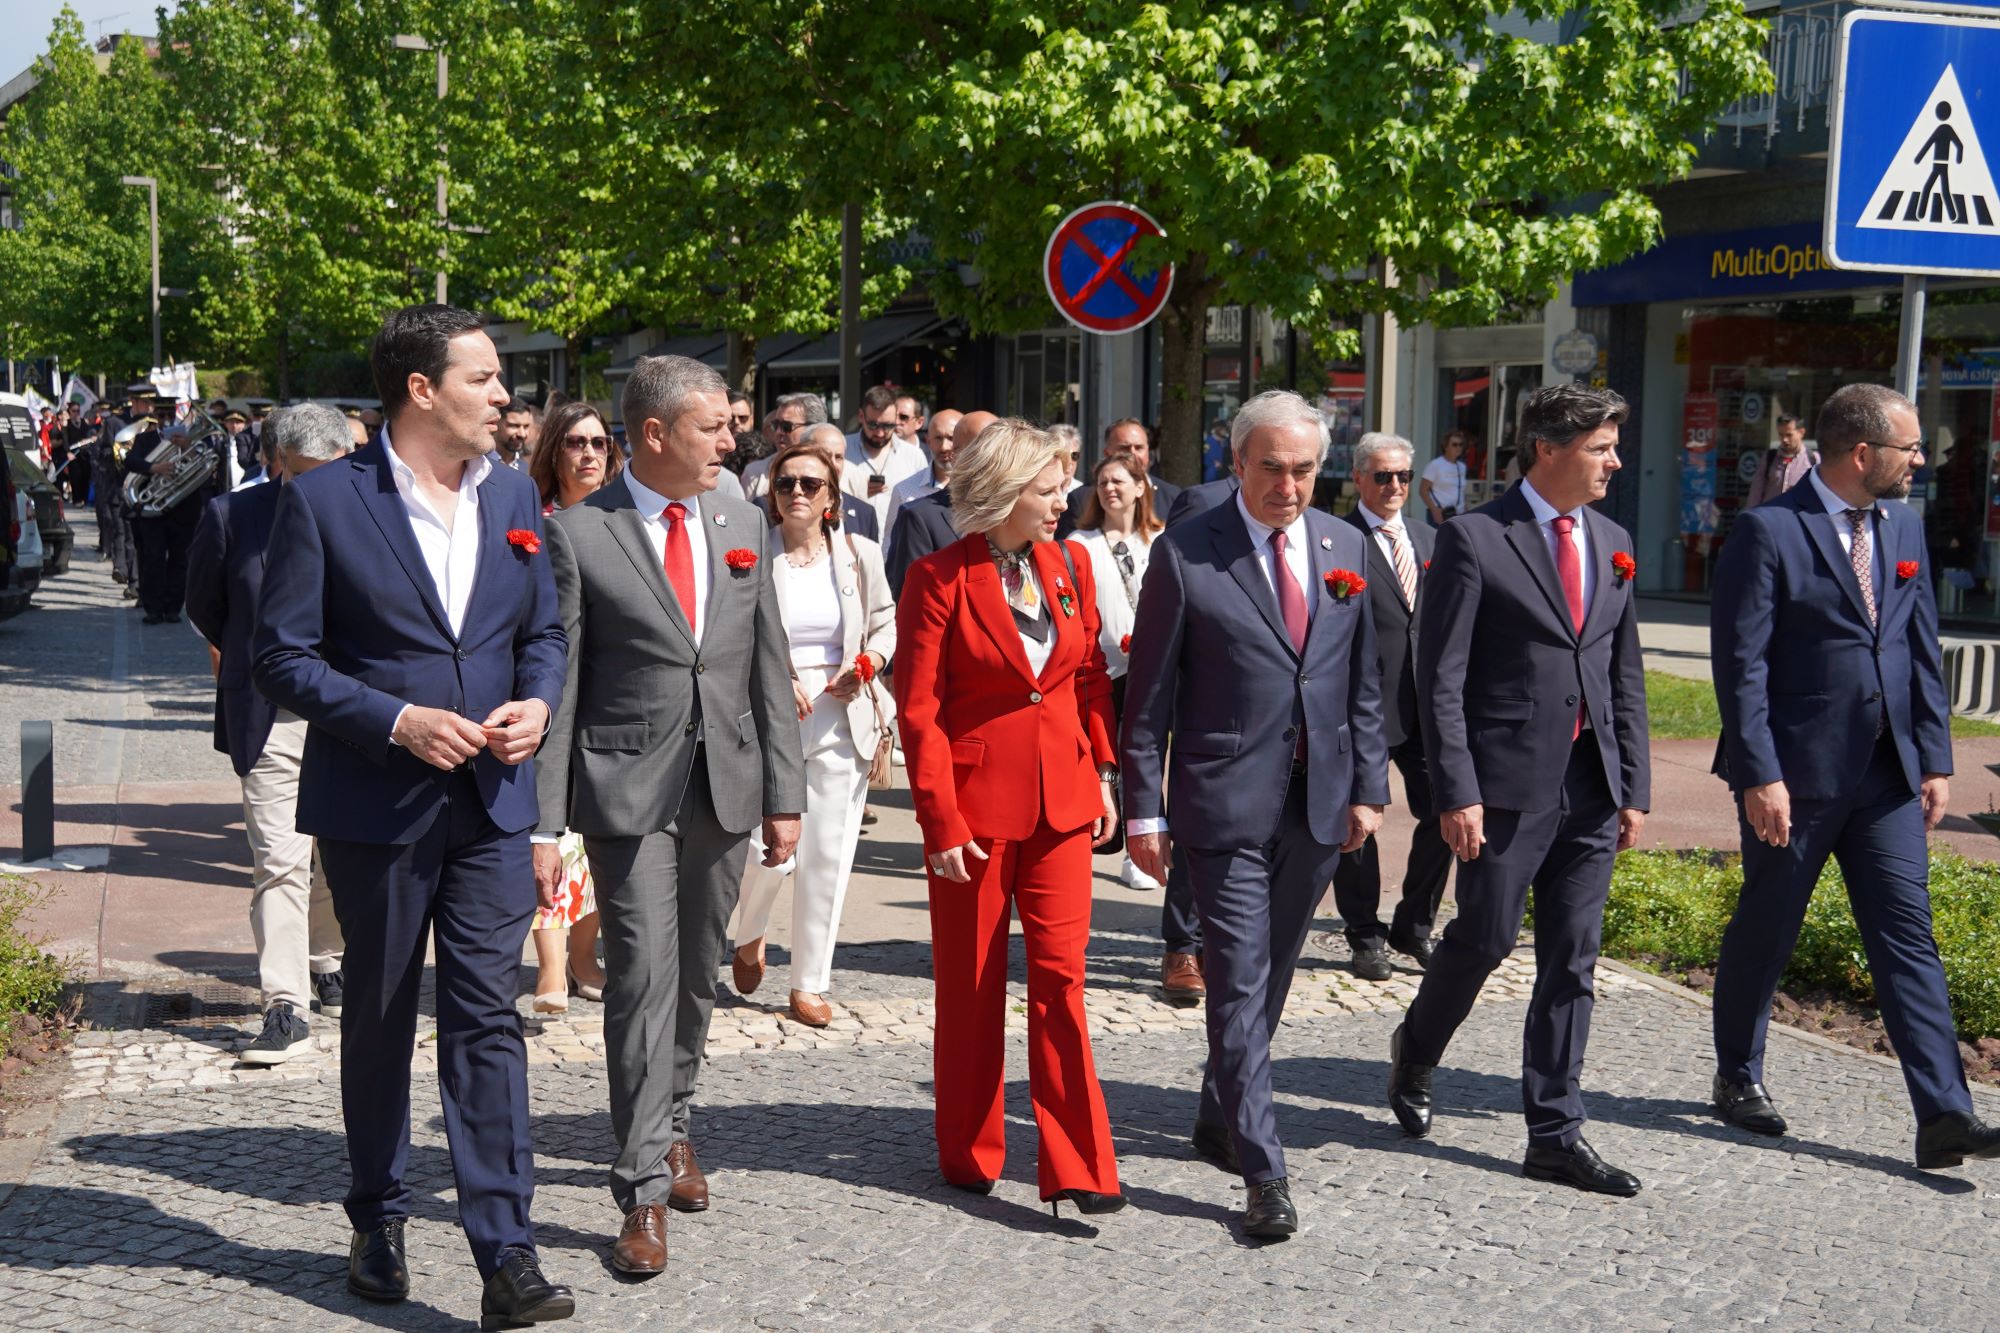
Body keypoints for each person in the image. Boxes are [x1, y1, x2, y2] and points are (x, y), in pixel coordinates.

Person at [253, 304, 574, 1326]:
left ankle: (505, 1255)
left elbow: (544, 630)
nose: (503, 396)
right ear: (422, 389)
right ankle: (377, 1214)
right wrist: (393, 721)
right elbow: (282, 658)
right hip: (375, 803)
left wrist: (537, 700)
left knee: (487, 1017)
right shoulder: (324, 504)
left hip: (489, 801)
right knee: (385, 1016)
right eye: (482, 378)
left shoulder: (517, 491)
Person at [536, 354, 805, 1276]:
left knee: (697, 973)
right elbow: (561, 686)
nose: (733, 440)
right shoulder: (580, 532)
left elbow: (766, 664)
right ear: (653, 435)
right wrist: (543, 823)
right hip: (624, 792)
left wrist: (786, 794)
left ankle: (677, 1122)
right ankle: (642, 1186)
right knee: (641, 975)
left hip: (724, 787)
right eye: (715, 427)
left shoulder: (742, 519)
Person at [1710, 382, 2000, 1170]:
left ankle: (1944, 1113)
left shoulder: (1903, 524)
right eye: (1909, 447)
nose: (1921, 459)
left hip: (1887, 775)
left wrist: (1934, 756)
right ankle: (1737, 1074)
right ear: (1862, 452)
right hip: (1794, 777)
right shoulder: (1768, 531)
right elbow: (1740, 666)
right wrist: (1758, 772)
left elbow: (1916, 647)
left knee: (1909, 936)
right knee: (1768, 927)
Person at [1122, 389, 1388, 1238]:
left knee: (1270, 979)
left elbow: (1363, 683)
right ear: (1235, 463)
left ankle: (1217, 1113)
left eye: (1305, 468)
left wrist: (1368, 787)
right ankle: (1264, 1173)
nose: (1289, 483)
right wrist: (1141, 813)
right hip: (1222, 803)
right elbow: (1148, 699)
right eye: (1271, 466)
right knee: (1236, 980)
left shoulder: (1347, 545)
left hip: (1318, 805)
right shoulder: (1187, 553)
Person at [1388, 383, 1650, 1199]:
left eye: (1614, 445)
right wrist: (1455, 789)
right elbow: (1441, 678)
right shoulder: (1474, 538)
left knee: (1573, 956)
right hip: (1502, 783)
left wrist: (1632, 783)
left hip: (1591, 782)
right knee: (1486, 937)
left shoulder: (1612, 539)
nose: (1614, 460)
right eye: (1602, 446)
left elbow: (1623, 671)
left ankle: (1555, 1131)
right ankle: (1418, 1048)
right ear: (1549, 447)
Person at [895, 417, 1125, 1217]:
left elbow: (1088, 676)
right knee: (973, 983)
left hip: (1062, 805)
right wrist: (940, 821)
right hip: (974, 813)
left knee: (1062, 980)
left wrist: (1100, 767)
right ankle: (969, 1146)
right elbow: (918, 711)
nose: (1066, 497)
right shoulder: (937, 578)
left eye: (1065, 483)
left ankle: (1080, 1163)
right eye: (1049, 486)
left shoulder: (1071, 566)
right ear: (1001, 492)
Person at [187, 402, 351, 1066]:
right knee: (280, 857)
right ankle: (286, 1004)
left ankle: (328, 959)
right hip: (271, 713)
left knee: (337, 854)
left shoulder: (367, 513)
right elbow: (208, 607)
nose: (314, 485)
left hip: (351, 711)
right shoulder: (233, 518)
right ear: (278, 462)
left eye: (327, 472)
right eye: (302, 471)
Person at [730, 442, 895, 1027]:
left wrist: (869, 664)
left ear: (832, 497)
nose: (796, 492)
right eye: (785, 484)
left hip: (841, 714)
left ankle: (809, 982)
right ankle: (748, 934)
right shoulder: (750, 556)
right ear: (771, 494)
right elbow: (731, 632)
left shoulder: (860, 555)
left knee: (827, 854)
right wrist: (779, 677)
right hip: (766, 712)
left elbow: (884, 623)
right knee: (762, 852)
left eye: (810, 484)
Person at [1332, 432, 1449, 979]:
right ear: (1358, 478)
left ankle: (1414, 925)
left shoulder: (1432, 539)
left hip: (1427, 706)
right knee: (1357, 820)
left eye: (1403, 476)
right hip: (1361, 704)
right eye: (1382, 476)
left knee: (1448, 811)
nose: (1395, 486)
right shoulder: (1336, 539)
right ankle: (1363, 933)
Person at [523, 401, 622, 1015]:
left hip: (614, 698)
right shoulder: (533, 522)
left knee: (596, 838)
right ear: (554, 452)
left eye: (599, 443)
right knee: (551, 832)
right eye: (575, 443)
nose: (588, 453)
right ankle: (551, 968)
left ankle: (585, 959)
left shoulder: (627, 520)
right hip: (551, 691)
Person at [1067, 449, 1163, 887]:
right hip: (1101, 669)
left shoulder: (1160, 540)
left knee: (1145, 757)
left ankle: (1142, 848)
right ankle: (1105, 838)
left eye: (1118, 481)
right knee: (1107, 756)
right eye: (1102, 482)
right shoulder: (1079, 544)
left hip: (1154, 668)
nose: (1108, 489)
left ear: (1140, 488)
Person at [887, 410, 995, 597]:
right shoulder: (915, 510)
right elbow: (911, 594)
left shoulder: (1019, 512)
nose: (945, 447)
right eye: (938, 438)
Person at [126, 419, 223, 625]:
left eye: (169, 413)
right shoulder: (145, 439)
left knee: (181, 560)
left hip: (185, 510)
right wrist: (154, 467)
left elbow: (210, 465)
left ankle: (173, 608)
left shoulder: (194, 441)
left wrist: (187, 447)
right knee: (153, 558)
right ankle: (153, 608)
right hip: (153, 510)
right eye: (162, 413)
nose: (166, 418)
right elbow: (130, 461)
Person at [843, 384, 927, 531]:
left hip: (896, 547)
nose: (880, 433)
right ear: (861, 416)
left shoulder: (914, 456)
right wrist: (856, 490)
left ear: (896, 418)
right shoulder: (842, 449)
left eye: (888, 426)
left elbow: (924, 506)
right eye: (873, 425)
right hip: (850, 544)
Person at [885, 406, 961, 541]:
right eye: (938, 438)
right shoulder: (904, 491)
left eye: (951, 438)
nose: (944, 447)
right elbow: (891, 543)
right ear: (928, 440)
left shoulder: (978, 490)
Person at [742, 392, 825, 499]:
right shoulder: (755, 473)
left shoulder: (841, 472)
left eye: (786, 426)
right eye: (775, 425)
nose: (778, 432)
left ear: (813, 428)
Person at [1105, 416, 1180, 518]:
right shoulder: (1084, 498)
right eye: (1124, 448)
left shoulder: (1172, 497)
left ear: (1148, 451)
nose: (1133, 454)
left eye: (1139, 448)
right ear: (1107, 454)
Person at [1742, 413, 1819, 509]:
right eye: (1781, 435)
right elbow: (1755, 493)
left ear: (1801, 432)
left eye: (1789, 435)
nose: (1784, 439)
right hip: (1770, 518)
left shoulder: (1813, 460)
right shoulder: (1769, 458)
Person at [1419, 429, 1469, 524]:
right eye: (1454, 445)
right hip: (1441, 513)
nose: (1458, 447)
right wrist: (1434, 510)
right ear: (1446, 447)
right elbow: (1423, 490)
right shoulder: (1435, 465)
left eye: (1460, 445)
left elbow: (1462, 491)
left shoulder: (1462, 467)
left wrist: (1466, 510)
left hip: (1459, 514)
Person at [498, 398, 535, 470]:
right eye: (514, 426)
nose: (522, 434)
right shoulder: (478, 465)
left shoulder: (530, 470)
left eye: (526, 426)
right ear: (496, 423)